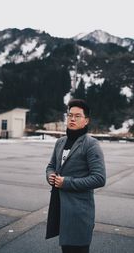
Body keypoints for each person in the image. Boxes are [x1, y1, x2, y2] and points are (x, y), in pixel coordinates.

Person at [46, 99, 106, 253]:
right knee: (66, 249)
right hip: (60, 206)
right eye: (70, 115)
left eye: (77, 116)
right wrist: (51, 176)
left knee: (77, 249)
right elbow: (51, 166)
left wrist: (66, 182)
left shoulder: (91, 144)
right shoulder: (60, 142)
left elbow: (99, 178)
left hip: (79, 211)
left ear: (86, 121)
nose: (72, 119)